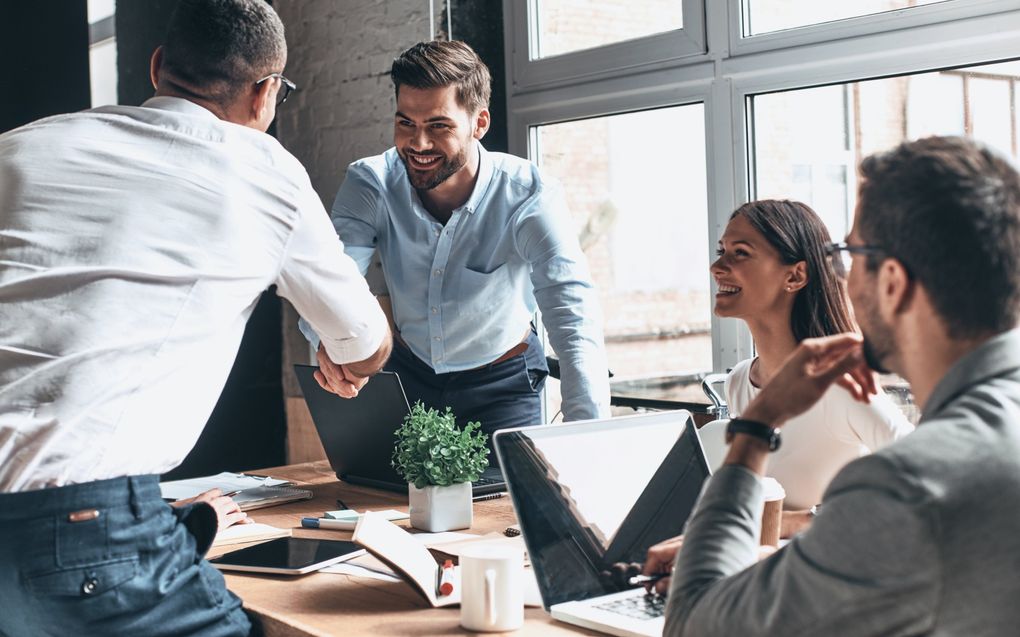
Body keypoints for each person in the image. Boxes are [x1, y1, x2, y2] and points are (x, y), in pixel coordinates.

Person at [0, 1, 391, 635]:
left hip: (86, 519)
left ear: (157, 67)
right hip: (80, 532)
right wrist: (342, 349)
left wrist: (167, 515)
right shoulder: (263, 171)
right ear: (265, 95)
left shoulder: (20, 148)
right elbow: (366, 346)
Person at [643, 135, 1020, 635]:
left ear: (891, 281)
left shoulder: (909, 485)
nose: (838, 273)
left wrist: (755, 429)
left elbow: (694, 624)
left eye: (850, 252)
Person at [303, 40, 611, 447]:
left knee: (505, 506)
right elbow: (329, 278)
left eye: (438, 126)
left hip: (502, 384)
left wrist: (588, 437)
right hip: (407, 375)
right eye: (405, 123)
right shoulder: (371, 182)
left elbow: (572, 312)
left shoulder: (528, 194)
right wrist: (329, 339)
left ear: (479, 123)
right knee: (386, 503)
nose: (418, 144)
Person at [711, 200, 913, 527]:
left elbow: (930, 479)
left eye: (741, 253)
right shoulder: (739, 381)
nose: (717, 267)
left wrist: (794, 521)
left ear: (795, 275)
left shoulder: (839, 387)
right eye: (722, 251)